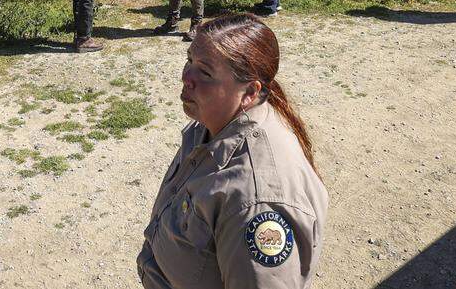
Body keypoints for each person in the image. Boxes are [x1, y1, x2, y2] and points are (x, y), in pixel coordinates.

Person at [137, 14, 327, 289]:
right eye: (189, 60)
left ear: (250, 92)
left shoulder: (256, 200)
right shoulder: (212, 126)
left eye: (205, 72)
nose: (186, 77)